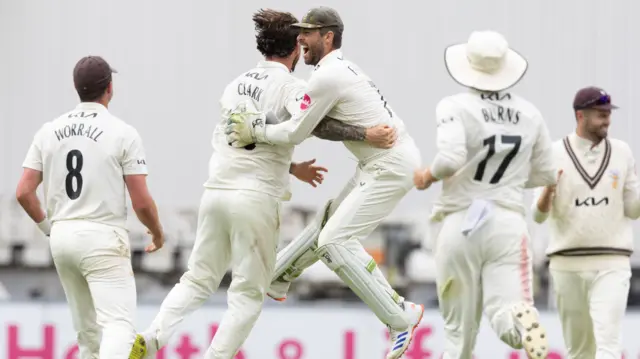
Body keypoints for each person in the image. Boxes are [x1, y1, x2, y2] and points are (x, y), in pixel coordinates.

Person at [130, 9, 394, 359]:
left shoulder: (235, 84)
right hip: (255, 199)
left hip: (216, 192)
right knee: (248, 294)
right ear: (296, 49)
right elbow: (313, 124)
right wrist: (365, 133)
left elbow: (239, 142)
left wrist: (292, 167)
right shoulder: (291, 86)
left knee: (196, 280)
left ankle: (151, 337)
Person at [225, 7, 425, 359]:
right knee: (327, 223)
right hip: (379, 161)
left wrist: (255, 129)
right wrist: (363, 133)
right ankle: (277, 274)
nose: (300, 38)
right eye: (299, 32)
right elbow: (318, 124)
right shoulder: (333, 72)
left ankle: (401, 317)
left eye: (308, 33)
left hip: (391, 165)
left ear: (328, 37)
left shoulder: (327, 77)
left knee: (335, 240)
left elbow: (295, 132)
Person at [412, 30, 556, 359]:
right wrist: (516, 178)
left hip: (461, 219)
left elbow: (450, 159)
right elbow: (547, 174)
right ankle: (520, 321)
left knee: (458, 332)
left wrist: (426, 176)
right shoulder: (530, 113)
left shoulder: (455, 106)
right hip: (507, 220)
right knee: (507, 309)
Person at [15, 56, 163, 359]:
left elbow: (24, 192)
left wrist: (48, 229)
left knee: (88, 335)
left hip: (63, 238)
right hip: (102, 236)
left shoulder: (49, 131)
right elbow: (141, 201)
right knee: (119, 327)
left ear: (76, 88)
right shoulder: (123, 132)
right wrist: (158, 232)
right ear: (110, 88)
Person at [532, 86, 638, 359]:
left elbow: (633, 210)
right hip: (566, 263)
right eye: (600, 114)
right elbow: (538, 214)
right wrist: (548, 191)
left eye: (608, 114)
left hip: (612, 262)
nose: (607, 120)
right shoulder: (553, 153)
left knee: (608, 345)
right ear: (580, 115)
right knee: (579, 350)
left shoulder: (622, 152)